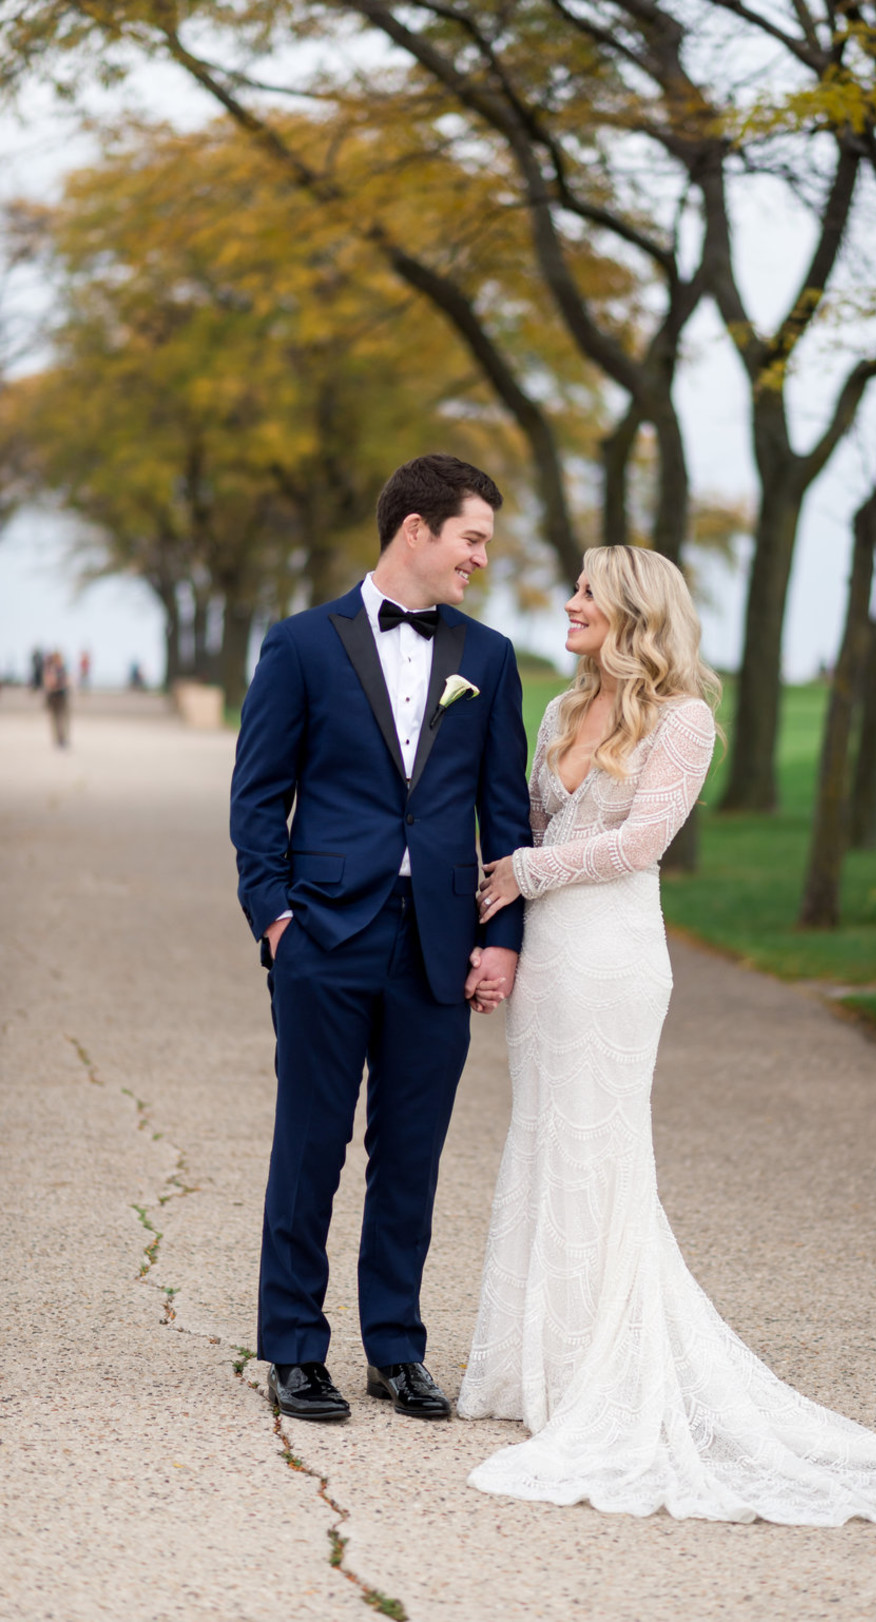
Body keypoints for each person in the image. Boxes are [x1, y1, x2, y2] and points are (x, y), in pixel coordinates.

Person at [459, 544, 876, 1525]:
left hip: (613, 954)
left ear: (635, 609)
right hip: (550, 956)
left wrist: (524, 868)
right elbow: (525, 818)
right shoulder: (560, 710)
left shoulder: (685, 720)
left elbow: (642, 841)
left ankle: (597, 1370)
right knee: (544, 1131)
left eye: (588, 590)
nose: (570, 602)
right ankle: (534, 1365)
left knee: (600, 1143)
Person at [230, 454, 532, 1426]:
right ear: (416, 528)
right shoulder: (300, 644)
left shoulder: (488, 659)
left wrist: (504, 937)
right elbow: (256, 798)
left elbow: (505, 816)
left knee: (413, 1154)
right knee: (310, 1143)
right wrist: (278, 918)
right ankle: (295, 1347)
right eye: (472, 537)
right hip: (324, 933)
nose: (481, 558)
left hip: (440, 944)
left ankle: (396, 1349)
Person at [42, 651, 71, 748]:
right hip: (55, 696)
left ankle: (62, 738)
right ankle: (58, 739)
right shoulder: (52, 669)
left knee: (62, 719)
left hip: (61, 696)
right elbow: (49, 683)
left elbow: (67, 681)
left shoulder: (61, 669)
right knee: (55, 719)